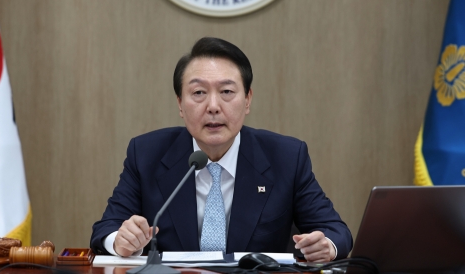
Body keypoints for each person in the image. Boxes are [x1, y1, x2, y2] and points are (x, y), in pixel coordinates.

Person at [90, 37, 352, 261]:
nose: (213, 106)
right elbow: (106, 229)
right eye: (199, 93)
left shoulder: (286, 157)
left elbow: (335, 231)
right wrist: (120, 240)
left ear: (247, 100)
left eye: (226, 91)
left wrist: (325, 246)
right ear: (180, 104)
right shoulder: (146, 154)